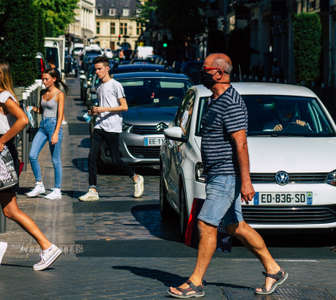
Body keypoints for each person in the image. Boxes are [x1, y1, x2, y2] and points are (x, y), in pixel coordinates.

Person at [168, 53, 287, 298]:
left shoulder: (231, 102)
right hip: (216, 173)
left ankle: (196, 282)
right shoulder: (214, 99)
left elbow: (240, 143)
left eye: (206, 69)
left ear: (220, 73)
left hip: (225, 174)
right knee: (235, 226)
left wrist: (246, 181)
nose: (202, 72)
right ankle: (273, 270)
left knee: (206, 223)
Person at [0, 61, 62, 270]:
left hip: (2, 155)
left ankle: (47, 246)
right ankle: (46, 246)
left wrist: (1, 141)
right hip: (3, 152)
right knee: (10, 210)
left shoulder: (4, 97)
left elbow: (23, 120)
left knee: (11, 210)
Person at [79, 56, 144, 201]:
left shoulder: (116, 85)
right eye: (95, 69)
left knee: (115, 160)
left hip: (113, 127)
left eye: (99, 69)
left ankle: (136, 177)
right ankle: (92, 190)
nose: (97, 72)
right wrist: (94, 111)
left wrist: (103, 109)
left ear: (107, 68)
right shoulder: (99, 87)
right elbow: (102, 105)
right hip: (99, 125)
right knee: (92, 157)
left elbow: (124, 107)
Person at [26, 69, 66, 199]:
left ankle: (57, 189)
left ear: (54, 79)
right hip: (43, 126)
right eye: (42, 79)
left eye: (46, 79)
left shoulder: (59, 94)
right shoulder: (42, 93)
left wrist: (55, 133)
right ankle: (39, 184)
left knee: (55, 160)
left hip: (54, 126)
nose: (43, 81)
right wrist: (32, 109)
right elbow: (42, 111)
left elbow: (60, 115)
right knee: (32, 155)